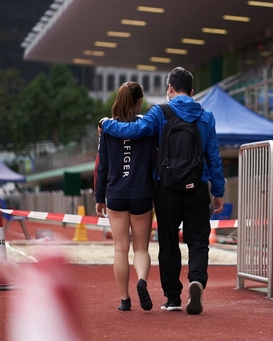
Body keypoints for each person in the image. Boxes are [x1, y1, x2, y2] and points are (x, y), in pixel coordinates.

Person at [100, 67, 225, 315]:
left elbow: (133, 130)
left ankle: (173, 298)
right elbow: (214, 156)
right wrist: (217, 190)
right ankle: (197, 280)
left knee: (168, 242)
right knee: (198, 241)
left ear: (169, 89)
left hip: (166, 188)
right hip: (197, 187)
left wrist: (105, 124)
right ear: (191, 92)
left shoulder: (160, 112)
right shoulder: (206, 116)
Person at [95, 81, 157, 312]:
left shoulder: (107, 130)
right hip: (142, 192)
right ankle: (141, 280)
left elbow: (102, 167)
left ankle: (124, 299)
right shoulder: (149, 129)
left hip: (117, 193)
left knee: (120, 248)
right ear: (139, 101)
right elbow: (154, 163)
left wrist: (99, 198)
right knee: (141, 248)